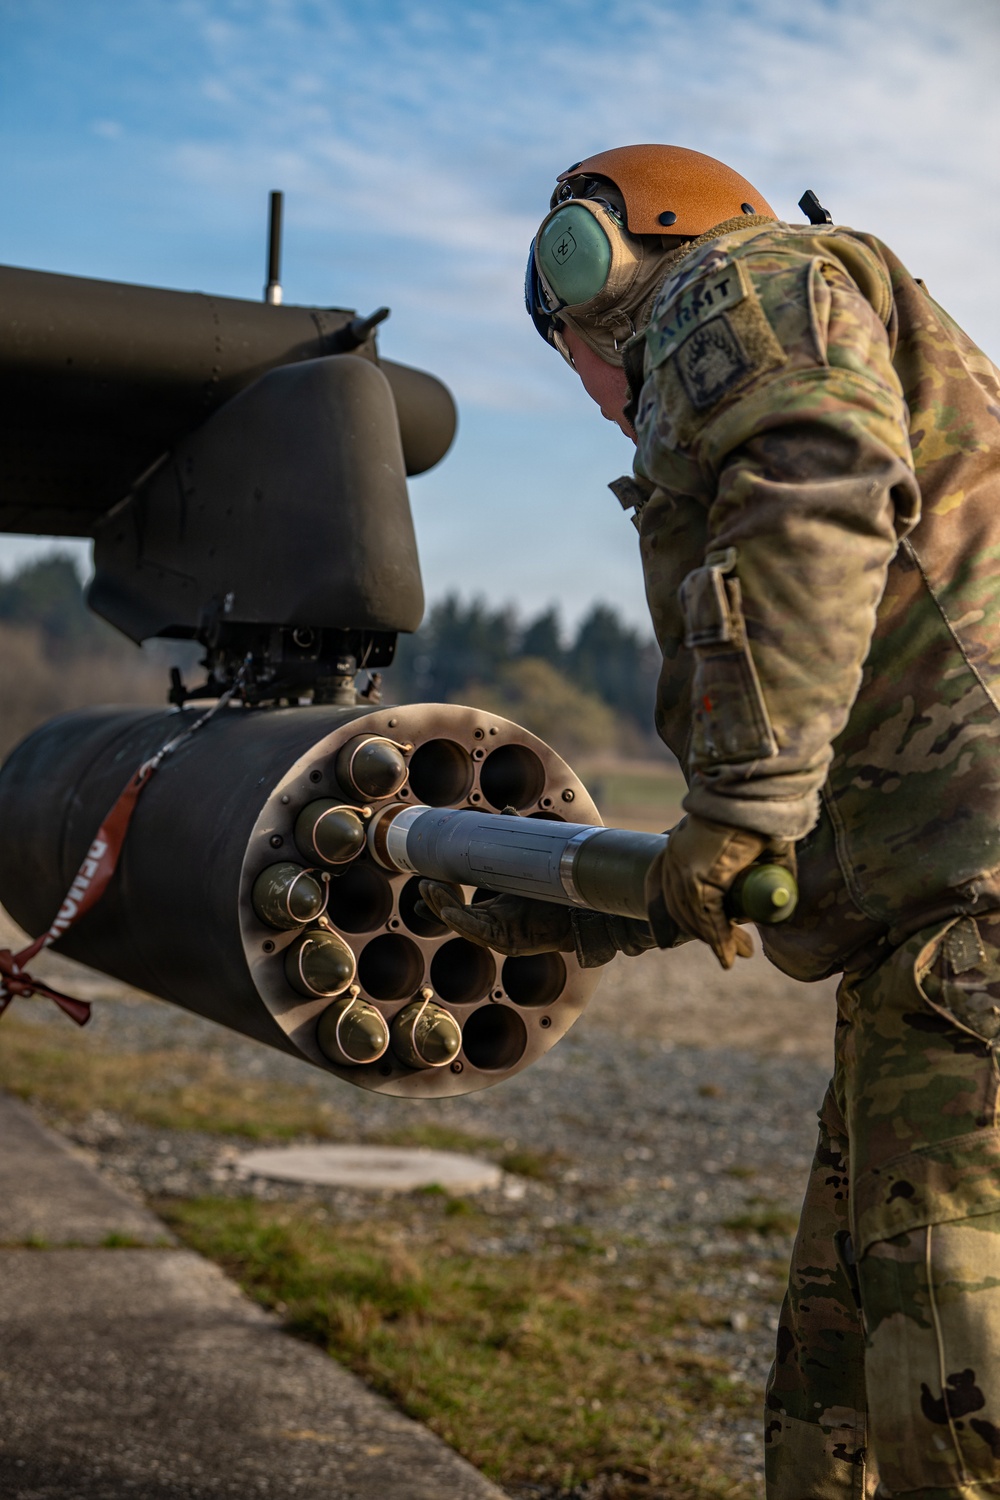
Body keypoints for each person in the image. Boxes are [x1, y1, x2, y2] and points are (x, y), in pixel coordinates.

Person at [418, 143, 1000, 1497]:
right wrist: (612, 897)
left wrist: (737, 808)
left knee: (955, 1424)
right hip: (929, 947)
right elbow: (845, 727)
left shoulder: (736, 288)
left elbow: (814, 497)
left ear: (583, 266)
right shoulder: (810, 314)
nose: (589, 399)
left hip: (973, 930)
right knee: (840, 1400)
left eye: (566, 355)